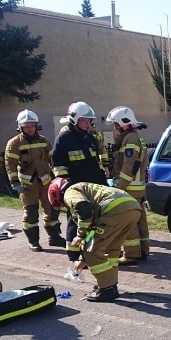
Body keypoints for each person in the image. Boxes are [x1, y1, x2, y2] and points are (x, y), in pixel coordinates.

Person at [47, 177, 141, 302]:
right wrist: (82, 259)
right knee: (111, 249)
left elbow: (83, 209)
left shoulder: (70, 192)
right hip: (132, 207)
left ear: (57, 194)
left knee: (91, 251)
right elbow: (92, 229)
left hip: (114, 210)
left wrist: (80, 235)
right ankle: (110, 285)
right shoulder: (84, 186)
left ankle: (107, 289)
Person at [51, 102, 111, 263]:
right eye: (84, 119)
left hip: (93, 186)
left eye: (89, 120)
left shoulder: (89, 138)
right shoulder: (63, 139)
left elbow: (94, 164)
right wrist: (66, 189)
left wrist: (104, 185)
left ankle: (88, 250)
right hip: (75, 187)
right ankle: (73, 253)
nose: (87, 123)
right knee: (74, 220)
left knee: (94, 221)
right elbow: (58, 166)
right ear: (74, 119)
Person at [5, 109, 65, 252]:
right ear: (20, 127)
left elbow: (53, 159)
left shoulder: (44, 141)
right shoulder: (14, 143)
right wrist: (14, 182)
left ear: (37, 126)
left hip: (46, 182)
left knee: (52, 211)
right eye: (26, 126)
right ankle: (34, 242)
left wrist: (58, 177)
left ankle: (54, 237)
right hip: (27, 186)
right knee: (31, 214)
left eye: (32, 126)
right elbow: (10, 164)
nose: (30, 129)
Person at [105, 106, 148, 264]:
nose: (114, 128)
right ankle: (143, 250)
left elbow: (129, 166)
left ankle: (131, 254)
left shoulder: (129, 139)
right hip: (138, 188)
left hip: (129, 188)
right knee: (140, 220)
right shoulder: (134, 137)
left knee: (128, 222)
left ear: (122, 124)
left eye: (115, 124)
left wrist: (119, 188)